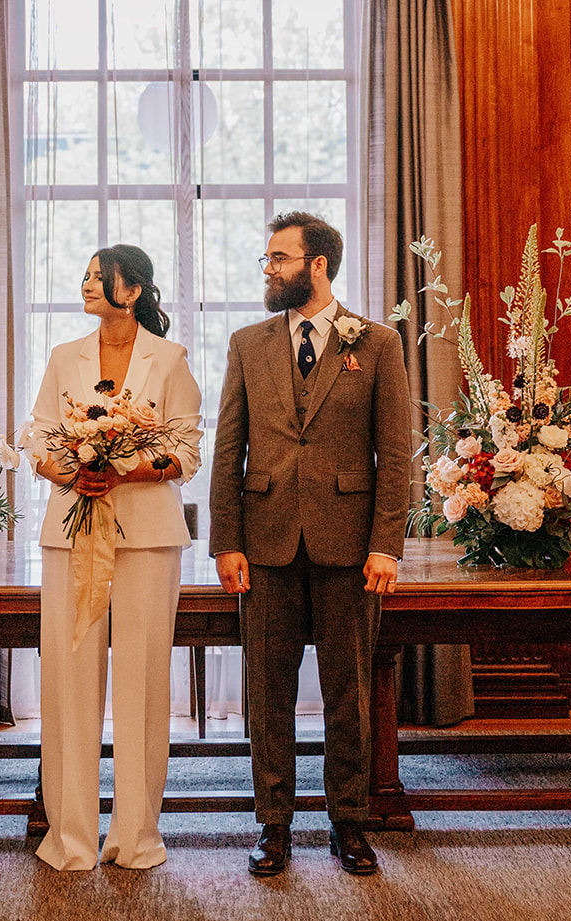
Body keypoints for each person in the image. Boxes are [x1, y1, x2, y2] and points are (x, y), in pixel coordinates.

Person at [209, 211, 412, 877]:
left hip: (350, 548)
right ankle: (272, 825)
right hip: (263, 546)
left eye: (277, 258)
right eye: (267, 259)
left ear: (316, 265)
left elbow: (395, 455)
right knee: (265, 693)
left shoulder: (377, 343)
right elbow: (228, 449)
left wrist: (386, 544)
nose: (266, 268)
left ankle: (348, 823)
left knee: (347, 692)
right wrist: (224, 542)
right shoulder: (247, 343)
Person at [27, 245, 202, 871]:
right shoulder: (61, 357)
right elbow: (39, 435)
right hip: (71, 535)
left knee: (143, 682)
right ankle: (70, 837)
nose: (86, 286)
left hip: (148, 538)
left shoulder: (171, 359)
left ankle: (135, 837)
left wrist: (125, 469)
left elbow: (187, 447)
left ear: (133, 289)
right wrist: (68, 468)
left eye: (98, 278)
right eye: (84, 277)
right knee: (69, 683)